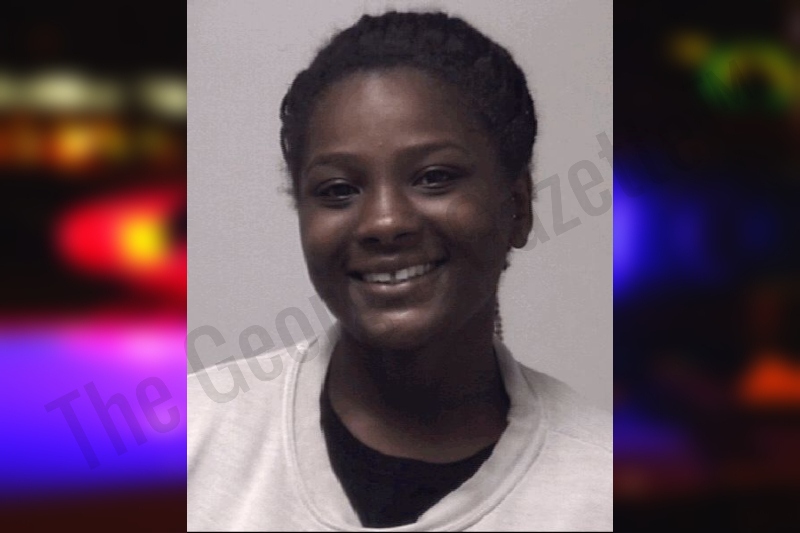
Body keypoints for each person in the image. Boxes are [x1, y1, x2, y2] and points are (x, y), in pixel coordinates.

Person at [188, 10, 612, 531]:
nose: (385, 222)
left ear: (518, 208)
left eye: (434, 177)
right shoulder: (184, 442)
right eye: (338, 189)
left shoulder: (605, 486)